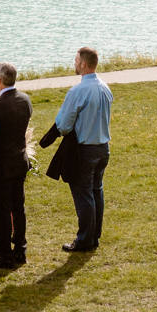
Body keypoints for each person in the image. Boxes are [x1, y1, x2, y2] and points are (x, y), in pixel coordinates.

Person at [51, 47, 112, 253]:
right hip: (103, 147)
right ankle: (94, 236)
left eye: (76, 60)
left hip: (84, 149)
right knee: (96, 191)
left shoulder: (77, 91)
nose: (74, 63)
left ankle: (85, 239)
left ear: (84, 64)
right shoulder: (105, 88)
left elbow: (64, 125)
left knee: (83, 193)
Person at [0, 61, 32, 267]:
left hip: (1, 164)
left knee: (3, 209)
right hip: (19, 160)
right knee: (18, 207)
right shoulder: (25, 100)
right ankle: (20, 249)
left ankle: (4, 253)